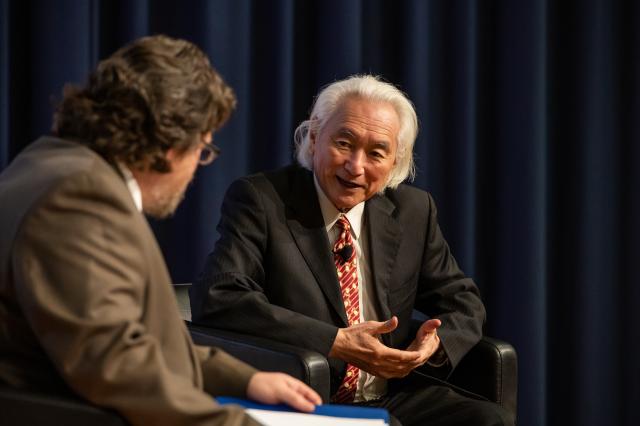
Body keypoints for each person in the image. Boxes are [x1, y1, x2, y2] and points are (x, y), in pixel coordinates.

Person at [0, 35, 321, 426]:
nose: (198, 167)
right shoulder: (80, 197)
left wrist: (247, 380)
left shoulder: (49, 162)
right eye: (203, 149)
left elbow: (136, 339)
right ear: (169, 143)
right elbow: (117, 366)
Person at [191, 75, 513, 425]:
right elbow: (221, 295)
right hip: (307, 397)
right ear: (314, 137)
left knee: (487, 419)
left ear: (395, 161)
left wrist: (431, 348)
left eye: (376, 152)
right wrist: (334, 341)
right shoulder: (262, 201)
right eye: (344, 143)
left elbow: (463, 301)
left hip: (391, 397)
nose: (356, 166)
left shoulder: (413, 211)